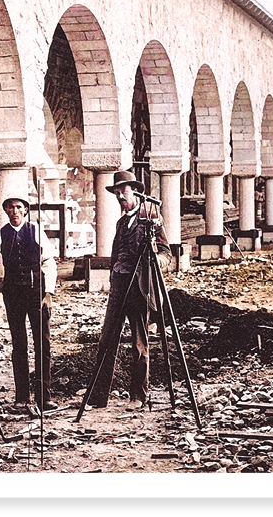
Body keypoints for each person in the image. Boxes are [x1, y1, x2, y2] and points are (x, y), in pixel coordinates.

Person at [86, 171, 171, 411]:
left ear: (134, 191)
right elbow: (117, 254)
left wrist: (157, 260)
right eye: (116, 192)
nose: (120, 196)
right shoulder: (121, 222)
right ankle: (99, 396)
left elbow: (167, 253)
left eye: (124, 191)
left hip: (140, 287)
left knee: (139, 343)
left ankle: (138, 396)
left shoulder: (151, 217)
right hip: (119, 285)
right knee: (106, 340)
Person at [0, 194, 58, 412]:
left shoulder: (35, 230)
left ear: (26, 210)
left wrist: (48, 293)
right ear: (6, 211)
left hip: (36, 291)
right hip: (13, 293)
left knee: (42, 343)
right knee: (19, 345)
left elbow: (49, 262)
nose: (14, 211)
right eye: (10, 208)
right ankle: (22, 398)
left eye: (18, 207)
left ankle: (43, 397)